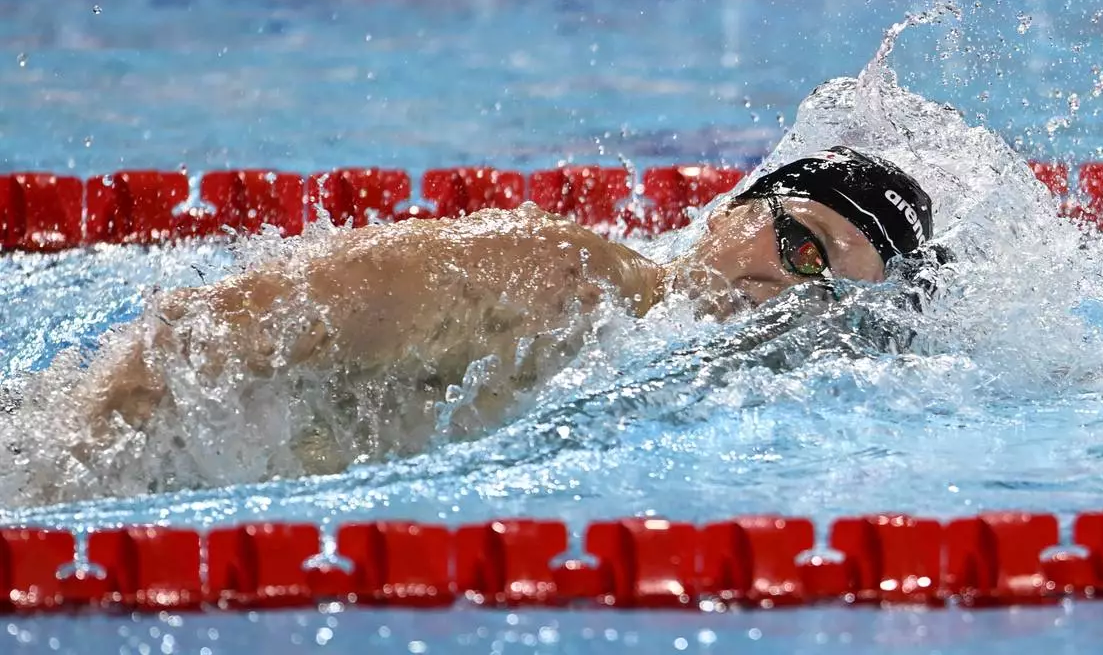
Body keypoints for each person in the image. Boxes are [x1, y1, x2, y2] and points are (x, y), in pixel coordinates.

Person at [64, 146, 934, 471]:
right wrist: (73, 483)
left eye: (830, 294)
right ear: (731, 208)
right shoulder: (547, 279)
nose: (793, 289)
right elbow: (207, 331)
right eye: (801, 245)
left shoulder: (688, 386)